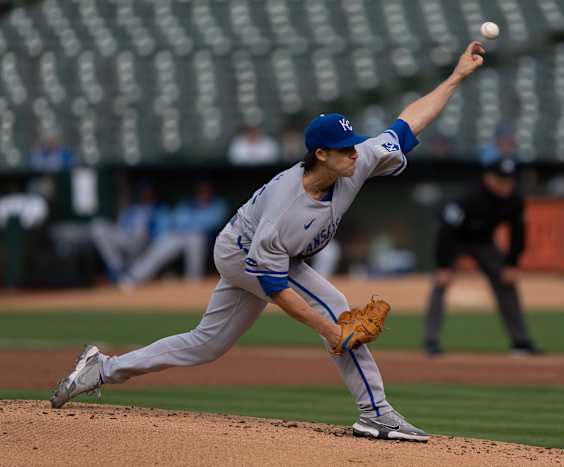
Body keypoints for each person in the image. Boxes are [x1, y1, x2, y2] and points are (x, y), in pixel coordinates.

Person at [50, 40, 487, 442]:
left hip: (262, 251)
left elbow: (406, 124)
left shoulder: (357, 161)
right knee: (335, 310)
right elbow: (277, 288)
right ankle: (375, 412)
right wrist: (333, 331)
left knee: (206, 344)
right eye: (345, 148)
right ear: (321, 154)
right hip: (243, 253)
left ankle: (101, 368)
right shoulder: (285, 208)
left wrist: (455, 77)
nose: (357, 152)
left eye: (355, 145)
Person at [423, 156, 541, 357]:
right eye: (502, 180)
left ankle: (521, 341)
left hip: (483, 241)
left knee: (506, 283)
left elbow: (518, 231)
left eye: (511, 180)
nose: (507, 185)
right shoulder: (469, 196)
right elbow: (446, 232)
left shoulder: (514, 199)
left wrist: (512, 263)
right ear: (489, 178)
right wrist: (443, 266)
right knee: (441, 284)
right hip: (454, 238)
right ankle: (431, 341)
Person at [119, 180, 228, 288]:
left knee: (195, 239)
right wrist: (190, 221)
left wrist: (191, 222)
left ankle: (194, 281)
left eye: (206, 191)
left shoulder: (218, 204)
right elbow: (176, 220)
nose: (203, 193)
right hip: (181, 235)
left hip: (207, 240)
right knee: (165, 240)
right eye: (201, 191)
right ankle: (135, 277)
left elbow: (212, 223)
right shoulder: (187, 204)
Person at [90, 182, 168, 283]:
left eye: (148, 192)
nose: (145, 194)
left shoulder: (159, 209)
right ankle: (117, 267)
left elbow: (160, 232)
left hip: (147, 245)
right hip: (126, 242)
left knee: (141, 224)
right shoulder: (133, 209)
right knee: (98, 226)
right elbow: (121, 227)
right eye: (143, 192)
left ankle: (130, 276)